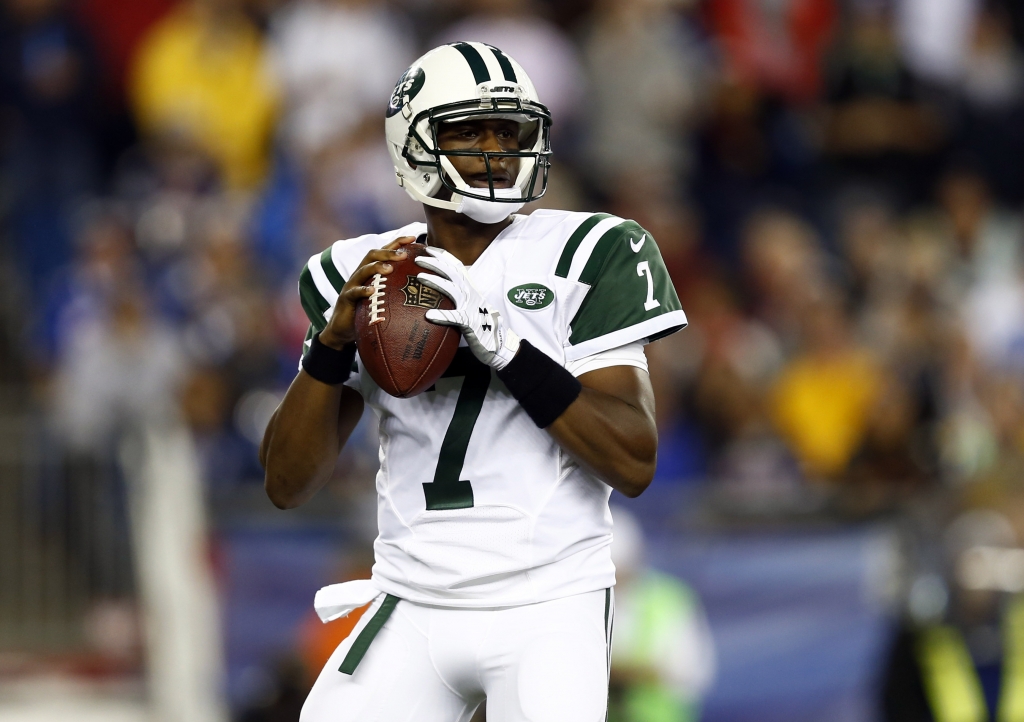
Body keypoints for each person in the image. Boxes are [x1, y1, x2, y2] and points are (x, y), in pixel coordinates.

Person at [260, 42, 687, 722]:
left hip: (550, 599)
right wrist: (332, 348)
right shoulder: (362, 274)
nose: (497, 150)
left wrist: (512, 351)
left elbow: (633, 461)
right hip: (413, 599)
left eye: (508, 131)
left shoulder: (591, 250)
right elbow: (286, 483)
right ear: (414, 145)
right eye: (470, 131)